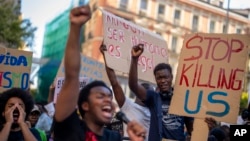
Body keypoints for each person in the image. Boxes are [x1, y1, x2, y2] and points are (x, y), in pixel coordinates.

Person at [53, 5, 146, 141]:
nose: (108, 99)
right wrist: (75, 28)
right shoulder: (70, 128)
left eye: (109, 96)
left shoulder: (114, 137)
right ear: (85, 105)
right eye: (100, 96)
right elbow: (72, 76)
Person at [128, 44, 194, 141]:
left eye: (165, 77)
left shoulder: (183, 100)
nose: (163, 81)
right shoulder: (153, 98)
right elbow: (133, 85)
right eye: (159, 78)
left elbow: (192, 130)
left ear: (171, 77)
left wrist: (206, 126)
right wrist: (134, 59)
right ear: (156, 79)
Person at [100, 43, 153, 140]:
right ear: (137, 93)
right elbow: (114, 82)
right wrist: (106, 56)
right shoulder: (128, 106)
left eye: (150, 94)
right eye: (142, 92)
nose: (146, 96)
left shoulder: (155, 111)